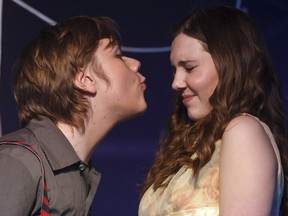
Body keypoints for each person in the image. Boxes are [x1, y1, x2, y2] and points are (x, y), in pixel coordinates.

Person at [139, 5, 288, 216]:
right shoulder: (195, 145)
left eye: (189, 68)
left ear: (228, 64)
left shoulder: (242, 131)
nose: (176, 82)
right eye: (174, 70)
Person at [0, 16, 147, 215]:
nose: (136, 64)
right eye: (118, 56)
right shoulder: (17, 162)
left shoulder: (78, 173)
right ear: (84, 79)